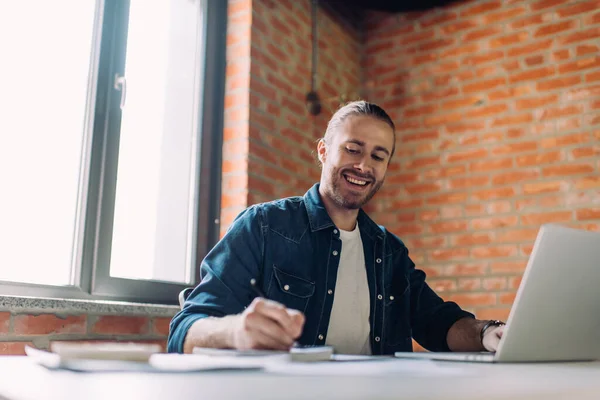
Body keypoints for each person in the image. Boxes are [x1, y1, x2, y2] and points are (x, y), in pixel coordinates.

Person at [167, 101, 505, 355]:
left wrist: (488, 333)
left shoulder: (390, 252)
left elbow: (439, 323)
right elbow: (182, 332)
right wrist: (236, 331)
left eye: (378, 156)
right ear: (324, 150)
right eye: (353, 149)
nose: (363, 165)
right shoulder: (264, 226)